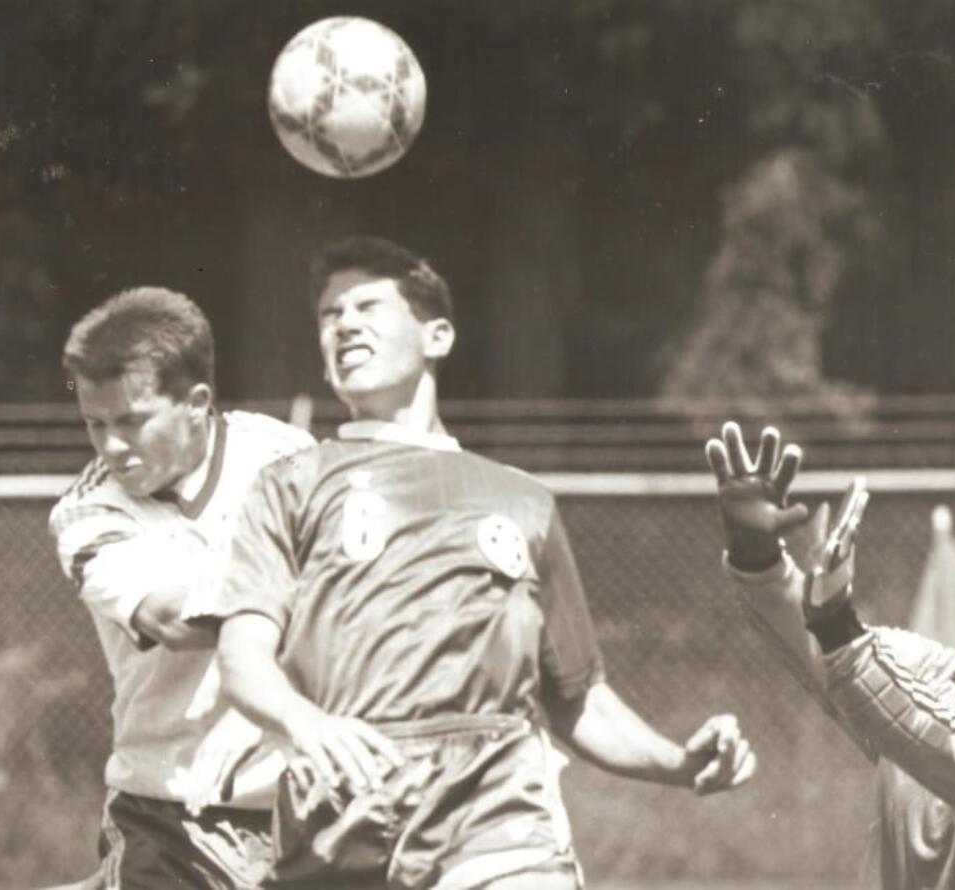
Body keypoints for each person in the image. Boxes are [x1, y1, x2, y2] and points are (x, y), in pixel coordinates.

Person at [192, 236, 756, 889]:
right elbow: (242, 658)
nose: (344, 322)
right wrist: (303, 721)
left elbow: (577, 700)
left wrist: (679, 764)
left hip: (498, 819)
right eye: (329, 313)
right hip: (340, 821)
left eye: (367, 305)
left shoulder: (520, 499)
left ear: (437, 336)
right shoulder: (291, 483)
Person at [705, 421, 955, 890]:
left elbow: (933, 730)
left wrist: (835, 621)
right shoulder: (927, 667)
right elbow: (819, 645)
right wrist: (757, 555)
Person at [49, 287, 315, 889]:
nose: (112, 446)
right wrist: (313, 581)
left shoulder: (288, 458)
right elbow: (176, 620)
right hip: (167, 816)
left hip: (300, 809)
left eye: (131, 422)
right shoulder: (88, 513)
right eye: (95, 424)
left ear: (196, 403)